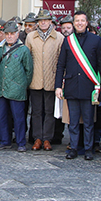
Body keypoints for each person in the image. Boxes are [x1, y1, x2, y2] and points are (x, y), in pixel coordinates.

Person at [55, 11, 101, 161]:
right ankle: (73, 148)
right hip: (72, 86)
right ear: (73, 23)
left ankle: (88, 149)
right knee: (73, 122)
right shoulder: (68, 41)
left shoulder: (96, 40)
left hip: (89, 87)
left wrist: (100, 87)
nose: (79, 23)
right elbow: (61, 64)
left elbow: (100, 64)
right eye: (77, 20)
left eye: (82, 21)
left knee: (88, 121)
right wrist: (58, 86)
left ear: (87, 23)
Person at [26, 8, 63, 151]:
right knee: (36, 111)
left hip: (51, 80)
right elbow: (27, 58)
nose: (43, 22)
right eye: (40, 20)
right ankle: (37, 138)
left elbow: (61, 60)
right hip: (35, 80)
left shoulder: (58, 37)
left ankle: (47, 138)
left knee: (49, 112)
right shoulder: (30, 37)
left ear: (50, 22)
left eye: (46, 20)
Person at [0, 21, 33, 151]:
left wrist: (22, 85)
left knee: (19, 117)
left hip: (17, 89)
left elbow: (29, 71)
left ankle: (21, 142)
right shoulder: (0, 48)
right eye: (7, 34)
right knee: (3, 116)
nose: (9, 36)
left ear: (17, 34)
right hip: (2, 87)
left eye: (12, 34)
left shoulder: (23, 50)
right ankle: (5, 140)